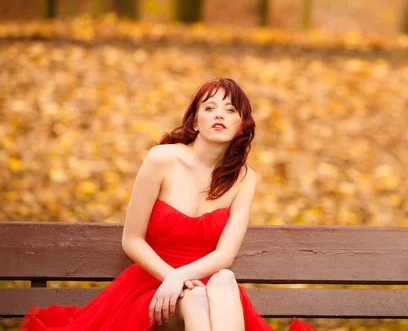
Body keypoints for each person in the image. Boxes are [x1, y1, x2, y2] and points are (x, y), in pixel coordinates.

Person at [21, 78, 317, 331]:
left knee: (224, 279)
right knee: (199, 297)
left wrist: (183, 276)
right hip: (152, 285)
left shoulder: (244, 179)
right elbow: (132, 240)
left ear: (241, 125)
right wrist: (171, 277)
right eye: (210, 108)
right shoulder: (162, 159)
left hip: (207, 284)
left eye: (230, 110)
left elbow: (224, 255)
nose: (220, 115)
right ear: (195, 120)